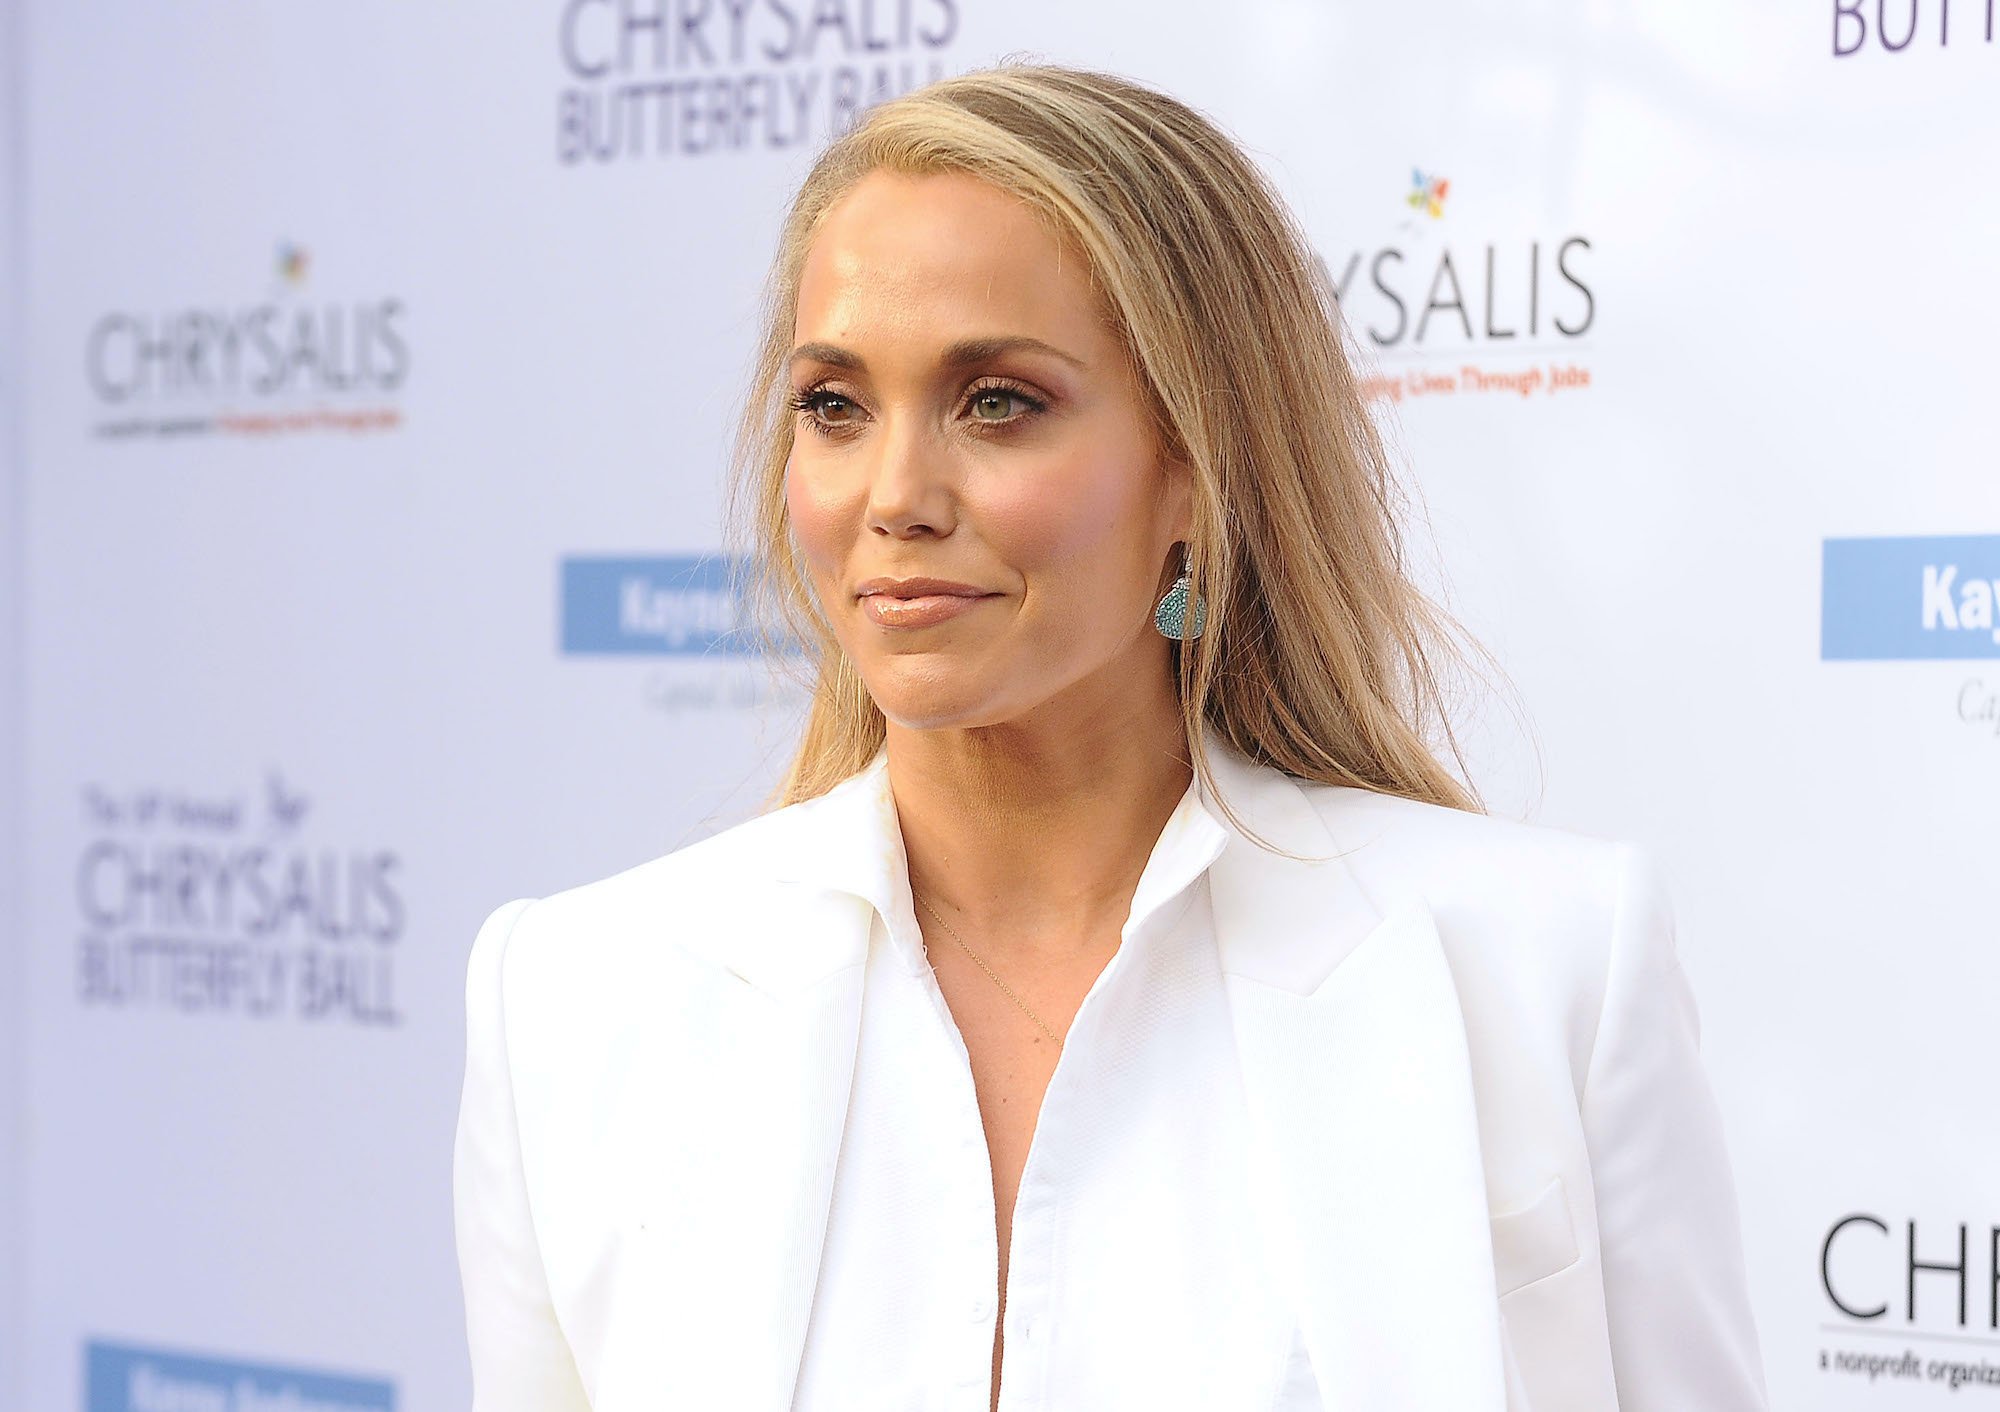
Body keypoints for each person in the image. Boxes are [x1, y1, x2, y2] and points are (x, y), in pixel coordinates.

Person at [452, 62, 1769, 1412]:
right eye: (836, 406)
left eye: (998, 402)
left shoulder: (1541, 971)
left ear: (1196, 465)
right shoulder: (574, 1000)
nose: (895, 496)